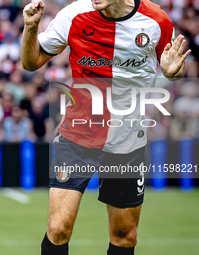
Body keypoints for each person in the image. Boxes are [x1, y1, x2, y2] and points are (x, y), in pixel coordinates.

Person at [21, 0, 191, 255]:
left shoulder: (157, 21)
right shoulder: (73, 15)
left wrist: (172, 73)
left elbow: (172, 67)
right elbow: (31, 61)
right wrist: (30, 28)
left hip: (128, 141)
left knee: (124, 236)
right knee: (58, 229)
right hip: (77, 136)